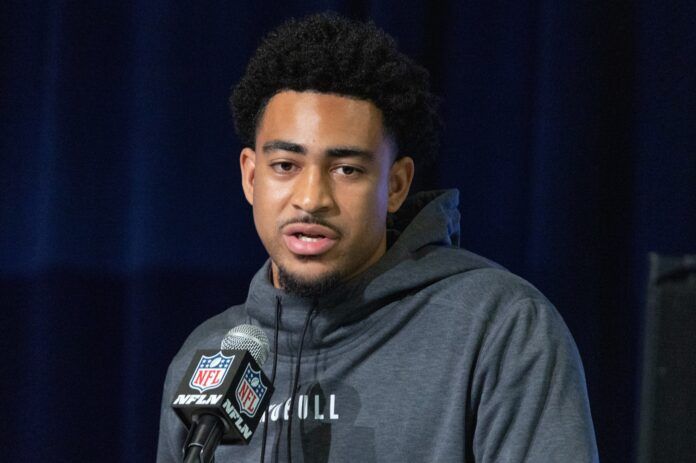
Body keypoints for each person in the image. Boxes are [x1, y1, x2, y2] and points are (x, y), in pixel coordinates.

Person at [157, 12, 598, 462]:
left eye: (347, 170)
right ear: (251, 177)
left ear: (397, 185)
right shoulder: (208, 357)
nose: (311, 199)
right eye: (286, 166)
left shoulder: (498, 327)